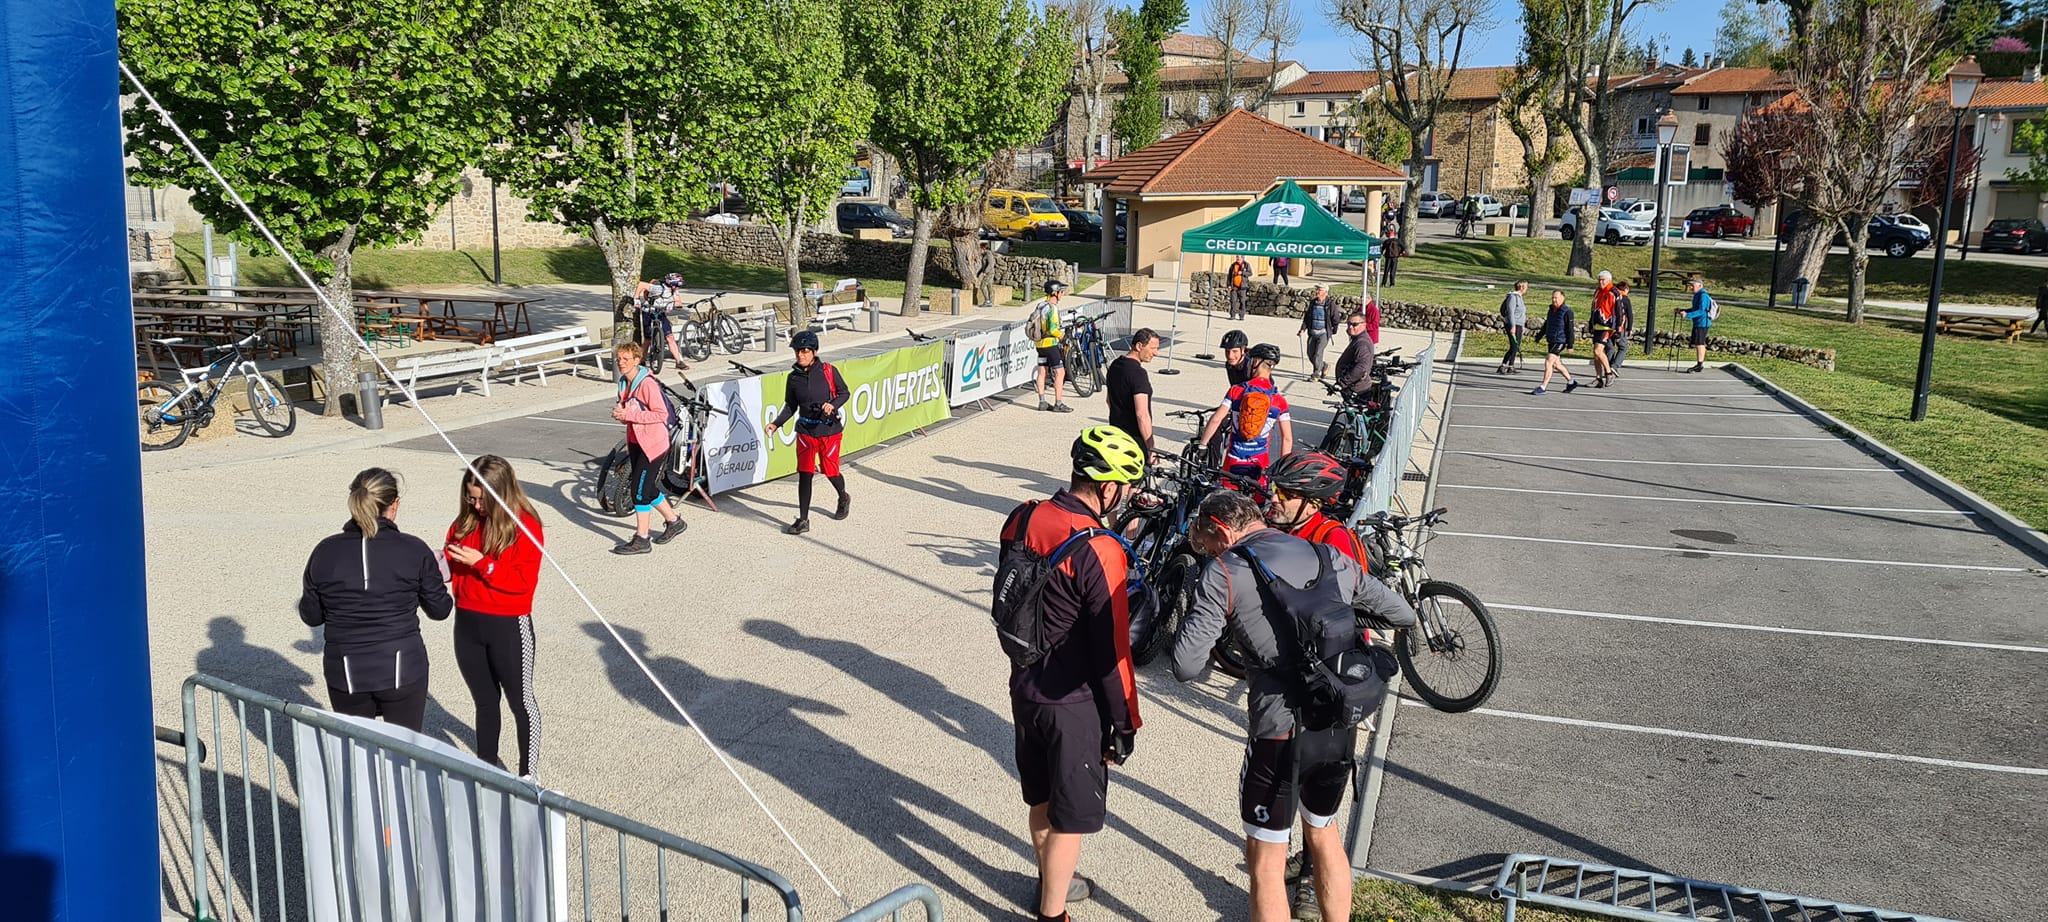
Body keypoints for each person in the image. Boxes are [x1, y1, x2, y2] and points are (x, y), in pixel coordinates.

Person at [1171, 490, 1416, 922]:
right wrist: (1338, 617)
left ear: (1223, 531)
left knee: (1266, 861)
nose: (1210, 554)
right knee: (1323, 833)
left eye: (1208, 546)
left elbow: (1186, 666)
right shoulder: (1326, 555)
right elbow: (1402, 614)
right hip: (1337, 722)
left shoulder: (1225, 572)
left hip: (1278, 731)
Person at [999, 427, 1149, 922]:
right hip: (1073, 701)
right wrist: (1124, 723)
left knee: (1040, 798)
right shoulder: (1101, 549)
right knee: (1069, 819)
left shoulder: (1022, 517)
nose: (1128, 494)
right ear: (1108, 488)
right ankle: (1052, 913)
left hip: (1024, 684)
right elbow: (1113, 650)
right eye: (1127, 485)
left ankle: (1050, 883)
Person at [298, 468, 455, 732]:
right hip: (402, 666)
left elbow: (311, 615)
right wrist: (433, 578)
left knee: (356, 749)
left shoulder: (325, 551)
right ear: (394, 505)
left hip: (346, 669)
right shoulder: (413, 549)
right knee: (405, 749)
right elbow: (440, 609)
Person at [443, 455, 544, 778]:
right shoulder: (464, 523)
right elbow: (449, 565)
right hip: (467, 623)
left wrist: (483, 564)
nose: (475, 505)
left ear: (501, 493)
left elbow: (522, 583)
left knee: (521, 701)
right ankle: (486, 770)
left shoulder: (525, 526)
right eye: (470, 498)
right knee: (485, 702)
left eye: (481, 499)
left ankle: (528, 776)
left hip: (508, 624)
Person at [766, 330, 853, 535]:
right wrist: (775, 424)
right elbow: (790, 406)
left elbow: (844, 393)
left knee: (830, 471)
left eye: (805, 351)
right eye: (797, 351)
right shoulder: (793, 378)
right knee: (805, 473)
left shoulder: (828, 371)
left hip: (829, 430)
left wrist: (832, 405)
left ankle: (843, 496)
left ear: (814, 352)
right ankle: (803, 519)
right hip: (805, 431)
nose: (800, 355)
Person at [608, 341, 689, 554]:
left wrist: (629, 414)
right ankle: (674, 521)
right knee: (648, 488)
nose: (621, 363)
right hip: (636, 442)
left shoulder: (647, 384)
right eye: (619, 359)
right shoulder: (624, 383)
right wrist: (622, 415)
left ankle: (642, 538)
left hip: (653, 444)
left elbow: (661, 414)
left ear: (637, 360)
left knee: (639, 492)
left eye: (626, 359)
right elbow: (632, 411)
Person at [1197, 343, 1293, 481]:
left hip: (1233, 460)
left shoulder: (1236, 391)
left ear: (1256, 361)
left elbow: (1216, 419)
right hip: (1259, 463)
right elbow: (1287, 438)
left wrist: (1203, 444)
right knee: (1256, 494)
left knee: (1227, 493)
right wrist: (1283, 469)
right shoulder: (1279, 401)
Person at [1263, 452, 1364, 565]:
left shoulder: (1333, 539)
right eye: (1275, 489)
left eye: (1285, 495)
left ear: (1312, 506)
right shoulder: (1272, 524)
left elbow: (1349, 576)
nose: (1274, 498)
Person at [1105, 328, 1160, 457]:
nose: (1156, 353)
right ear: (1139, 346)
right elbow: (1142, 414)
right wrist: (1151, 447)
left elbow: (1108, 400)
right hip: (1134, 440)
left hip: (1116, 434)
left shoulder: (1115, 365)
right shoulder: (1138, 374)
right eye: (1153, 348)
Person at [1032, 280, 1074, 413]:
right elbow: (1052, 329)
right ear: (1055, 293)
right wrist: (1062, 336)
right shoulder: (1052, 308)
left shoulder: (1040, 305)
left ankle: (1042, 401)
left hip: (1039, 344)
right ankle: (1058, 403)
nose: (1062, 294)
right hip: (1050, 344)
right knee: (1060, 372)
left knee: (1042, 372)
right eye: (1061, 292)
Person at [1532, 290, 1582, 395]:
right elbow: (1547, 324)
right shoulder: (1551, 310)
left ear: (1563, 298)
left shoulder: (1567, 311)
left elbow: (1570, 329)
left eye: (1556, 298)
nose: (1554, 300)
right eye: (1553, 298)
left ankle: (1543, 386)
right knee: (1556, 364)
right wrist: (1539, 336)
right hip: (1551, 339)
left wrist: (1570, 344)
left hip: (1560, 340)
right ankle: (1571, 382)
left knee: (1549, 361)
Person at [1332, 311, 1376, 403]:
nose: (1350, 327)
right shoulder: (1357, 339)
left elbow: (1362, 367)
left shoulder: (1362, 343)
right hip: (1352, 387)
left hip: (1357, 390)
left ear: (1364, 325)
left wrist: (1343, 383)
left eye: (1354, 324)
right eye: (1349, 324)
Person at [1677, 275, 1713, 372]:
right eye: (1690, 285)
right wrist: (1683, 310)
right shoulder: (1698, 295)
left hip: (1702, 323)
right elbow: (1694, 309)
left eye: (1692, 285)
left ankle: (1699, 365)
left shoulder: (1703, 295)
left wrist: (1687, 315)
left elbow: (1701, 311)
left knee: (1700, 343)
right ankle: (1699, 364)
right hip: (1698, 322)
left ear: (1700, 285)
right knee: (1698, 343)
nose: (1690, 288)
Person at [1299, 286, 1335, 382]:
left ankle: (1316, 374)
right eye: (1317, 290)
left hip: (1323, 333)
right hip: (1312, 332)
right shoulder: (1313, 303)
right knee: (1310, 353)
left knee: (1318, 353)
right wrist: (1302, 329)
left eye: (1319, 290)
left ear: (1325, 293)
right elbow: (1307, 317)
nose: (1317, 291)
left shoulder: (1330, 304)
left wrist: (1332, 331)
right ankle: (1323, 366)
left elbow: (1335, 318)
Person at [1588, 270, 1617, 387]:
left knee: (1598, 351)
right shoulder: (1597, 292)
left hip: (1607, 326)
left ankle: (1609, 373)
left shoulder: (1613, 292)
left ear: (1609, 280)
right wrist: (1591, 322)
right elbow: (1593, 308)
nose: (1601, 282)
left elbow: (1619, 311)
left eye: (1603, 280)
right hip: (1597, 325)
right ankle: (1598, 378)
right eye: (1599, 280)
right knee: (1596, 354)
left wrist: (1618, 328)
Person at [1498, 281, 1528, 374]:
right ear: (1521, 287)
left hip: (1519, 324)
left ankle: (1509, 365)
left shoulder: (1520, 297)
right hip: (1513, 324)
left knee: (1516, 346)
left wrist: (1522, 326)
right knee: (1514, 346)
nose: (1527, 289)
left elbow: (1522, 313)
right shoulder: (1512, 297)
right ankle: (1505, 365)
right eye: (1526, 287)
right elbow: (1511, 312)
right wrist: (1513, 326)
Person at [1611, 280, 1635, 373]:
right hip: (1620, 326)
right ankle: (1615, 366)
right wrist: (1629, 328)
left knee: (1610, 348)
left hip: (1609, 326)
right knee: (1623, 347)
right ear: (1626, 289)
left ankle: (1608, 367)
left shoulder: (1612, 296)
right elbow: (1630, 315)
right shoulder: (1625, 299)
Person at [1228, 255, 1251, 321]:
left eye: (1239, 258)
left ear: (1242, 258)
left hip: (1242, 287)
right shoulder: (1233, 265)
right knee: (1233, 301)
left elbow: (1250, 273)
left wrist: (1242, 273)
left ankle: (1241, 316)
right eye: (1237, 257)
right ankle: (1232, 315)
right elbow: (1229, 276)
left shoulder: (1246, 265)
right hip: (1234, 286)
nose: (1237, 259)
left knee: (1242, 302)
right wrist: (1229, 285)